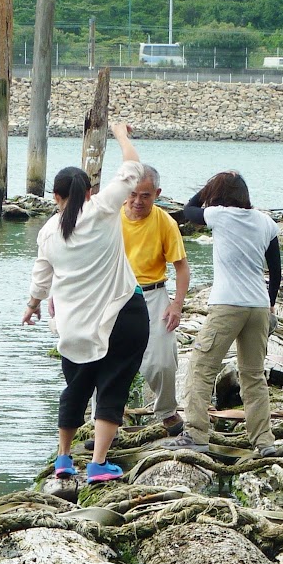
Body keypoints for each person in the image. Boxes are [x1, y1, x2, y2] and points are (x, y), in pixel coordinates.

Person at [22, 120, 150, 484]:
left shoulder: (48, 233)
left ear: (56, 196)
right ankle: (97, 464)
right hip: (121, 316)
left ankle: (63, 459)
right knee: (113, 386)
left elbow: (41, 280)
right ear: (90, 191)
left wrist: (32, 306)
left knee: (75, 389)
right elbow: (132, 169)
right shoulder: (102, 210)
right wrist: (122, 134)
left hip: (73, 326)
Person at [172, 171, 282, 454]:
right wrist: (270, 304)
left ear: (218, 196)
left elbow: (188, 210)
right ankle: (263, 441)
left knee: (201, 368)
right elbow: (276, 270)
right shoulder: (266, 222)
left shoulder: (219, 215)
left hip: (227, 305)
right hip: (257, 307)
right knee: (254, 375)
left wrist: (208, 187)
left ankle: (196, 433)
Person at [120, 165, 190, 435]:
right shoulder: (111, 217)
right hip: (115, 295)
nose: (138, 202)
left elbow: (181, 267)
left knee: (161, 360)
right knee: (105, 359)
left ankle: (167, 411)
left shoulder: (165, 222)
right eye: (133, 194)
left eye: (145, 196)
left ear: (157, 194)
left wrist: (177, 304)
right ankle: (108, 420)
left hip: (153, 294)